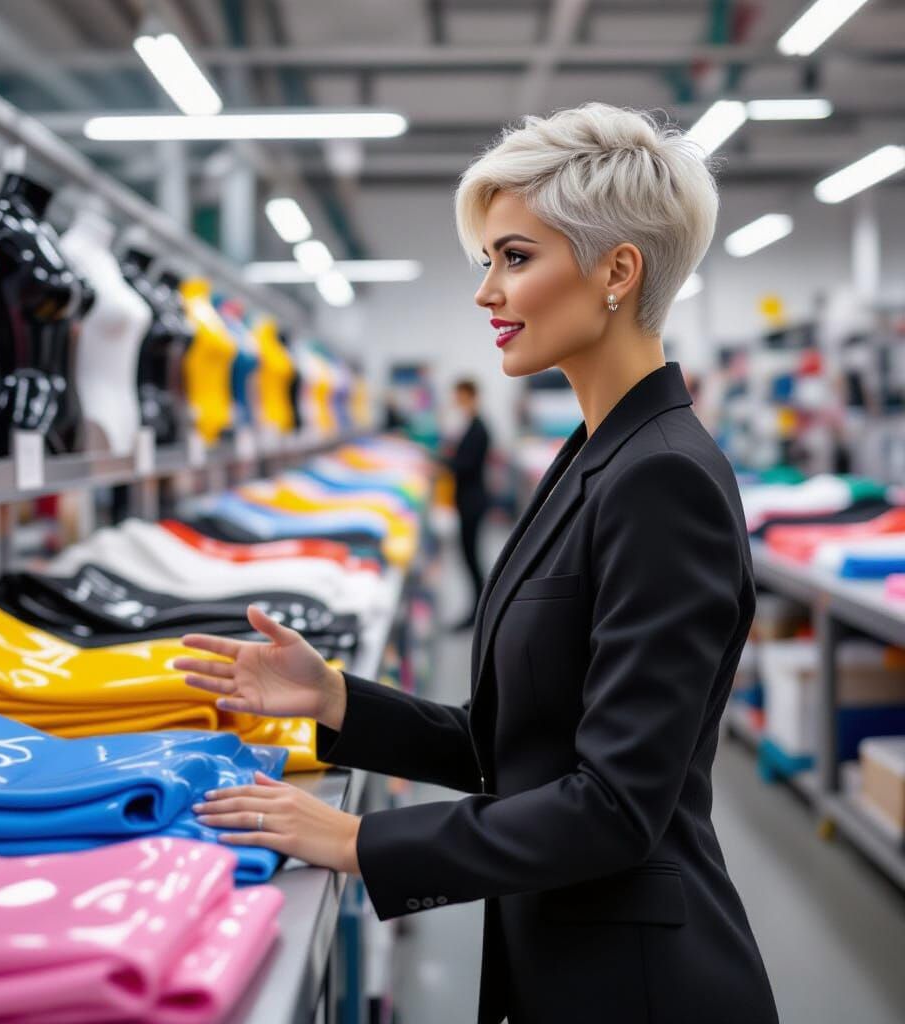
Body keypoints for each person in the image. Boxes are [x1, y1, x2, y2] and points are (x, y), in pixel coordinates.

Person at [175, 102, 779, 1024]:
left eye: (515, 258)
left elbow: (614, 804)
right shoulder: (595, 454)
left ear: (618, 270)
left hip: (641, 987)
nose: (486, 292)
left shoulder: (663, 480)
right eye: (487, 261)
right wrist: (339, 700)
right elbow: (527, 749)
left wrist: (362, 841)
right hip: (568, 955)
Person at [443, 378, 491, 630]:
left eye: (459, 396)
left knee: (471, 558)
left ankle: (478, 611)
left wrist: (441, 463)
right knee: (469, 558)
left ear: (470, 396)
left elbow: (465, 465)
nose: (456, 401)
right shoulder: (471, 426)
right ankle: (477, 609)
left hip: (472, 502)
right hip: (467, 500)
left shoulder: (478, 428)